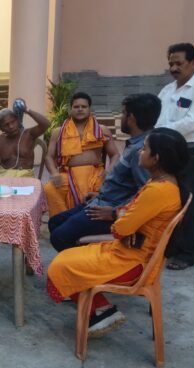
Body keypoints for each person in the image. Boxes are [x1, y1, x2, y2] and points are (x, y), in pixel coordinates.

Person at [47, 128, 188, 337]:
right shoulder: (163, 184)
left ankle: (100, 311)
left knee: (61, 266)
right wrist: (124, 216)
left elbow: (121, 228)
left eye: (145, 149)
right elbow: (129, 212)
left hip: (133, 263)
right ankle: (101, 310)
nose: (140, 152)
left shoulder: (158, 190)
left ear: (156, 158)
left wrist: (121, 219)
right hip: (129, 252)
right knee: (66, 259)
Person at [49, 94, 162, 251]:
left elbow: (146, 193)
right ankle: (76, 256)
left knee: (59, 236)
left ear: (131, 118)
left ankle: (81, 262)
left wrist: (115, 213)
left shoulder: (141, 151)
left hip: (108, 211)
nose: (121, 117)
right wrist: (101, 195)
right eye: (76, 106)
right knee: (54, 222)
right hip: (102, 200)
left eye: (123, 113)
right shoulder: (136, 144)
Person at [156, 42, 194, 271]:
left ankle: (188, 253)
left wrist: (160, 131)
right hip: (166, 151)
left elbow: (193, 121)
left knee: (188, 200)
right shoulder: (168, 90)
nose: (173, 68)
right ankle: (170, 246)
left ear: (193, 63)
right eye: (171, 63)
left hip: (189, 152)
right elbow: (158, 116)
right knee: (168, 199)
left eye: (179, 63)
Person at [43, 92, 119, 217]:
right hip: (68, 174)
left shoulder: (101, 130)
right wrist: (54, 173)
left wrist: (109, 171)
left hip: (95, 175)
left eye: (84, 106)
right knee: (50, 188)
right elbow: (49, 156)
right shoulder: (58, 131)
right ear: (71, 109)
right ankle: (62, 219)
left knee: (109, 189)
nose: (80, 109)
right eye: (76, 106)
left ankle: (93, 221)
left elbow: (115, 154)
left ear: (89, 109)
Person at [0, 100, 50, 177]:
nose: (11, 126)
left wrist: (27, 110)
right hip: (4, 177)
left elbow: (46, 124)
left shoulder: (29, 134)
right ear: (1, 128)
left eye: (13, 122)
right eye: (6, 125)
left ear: (18, 120)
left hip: (26, 177)